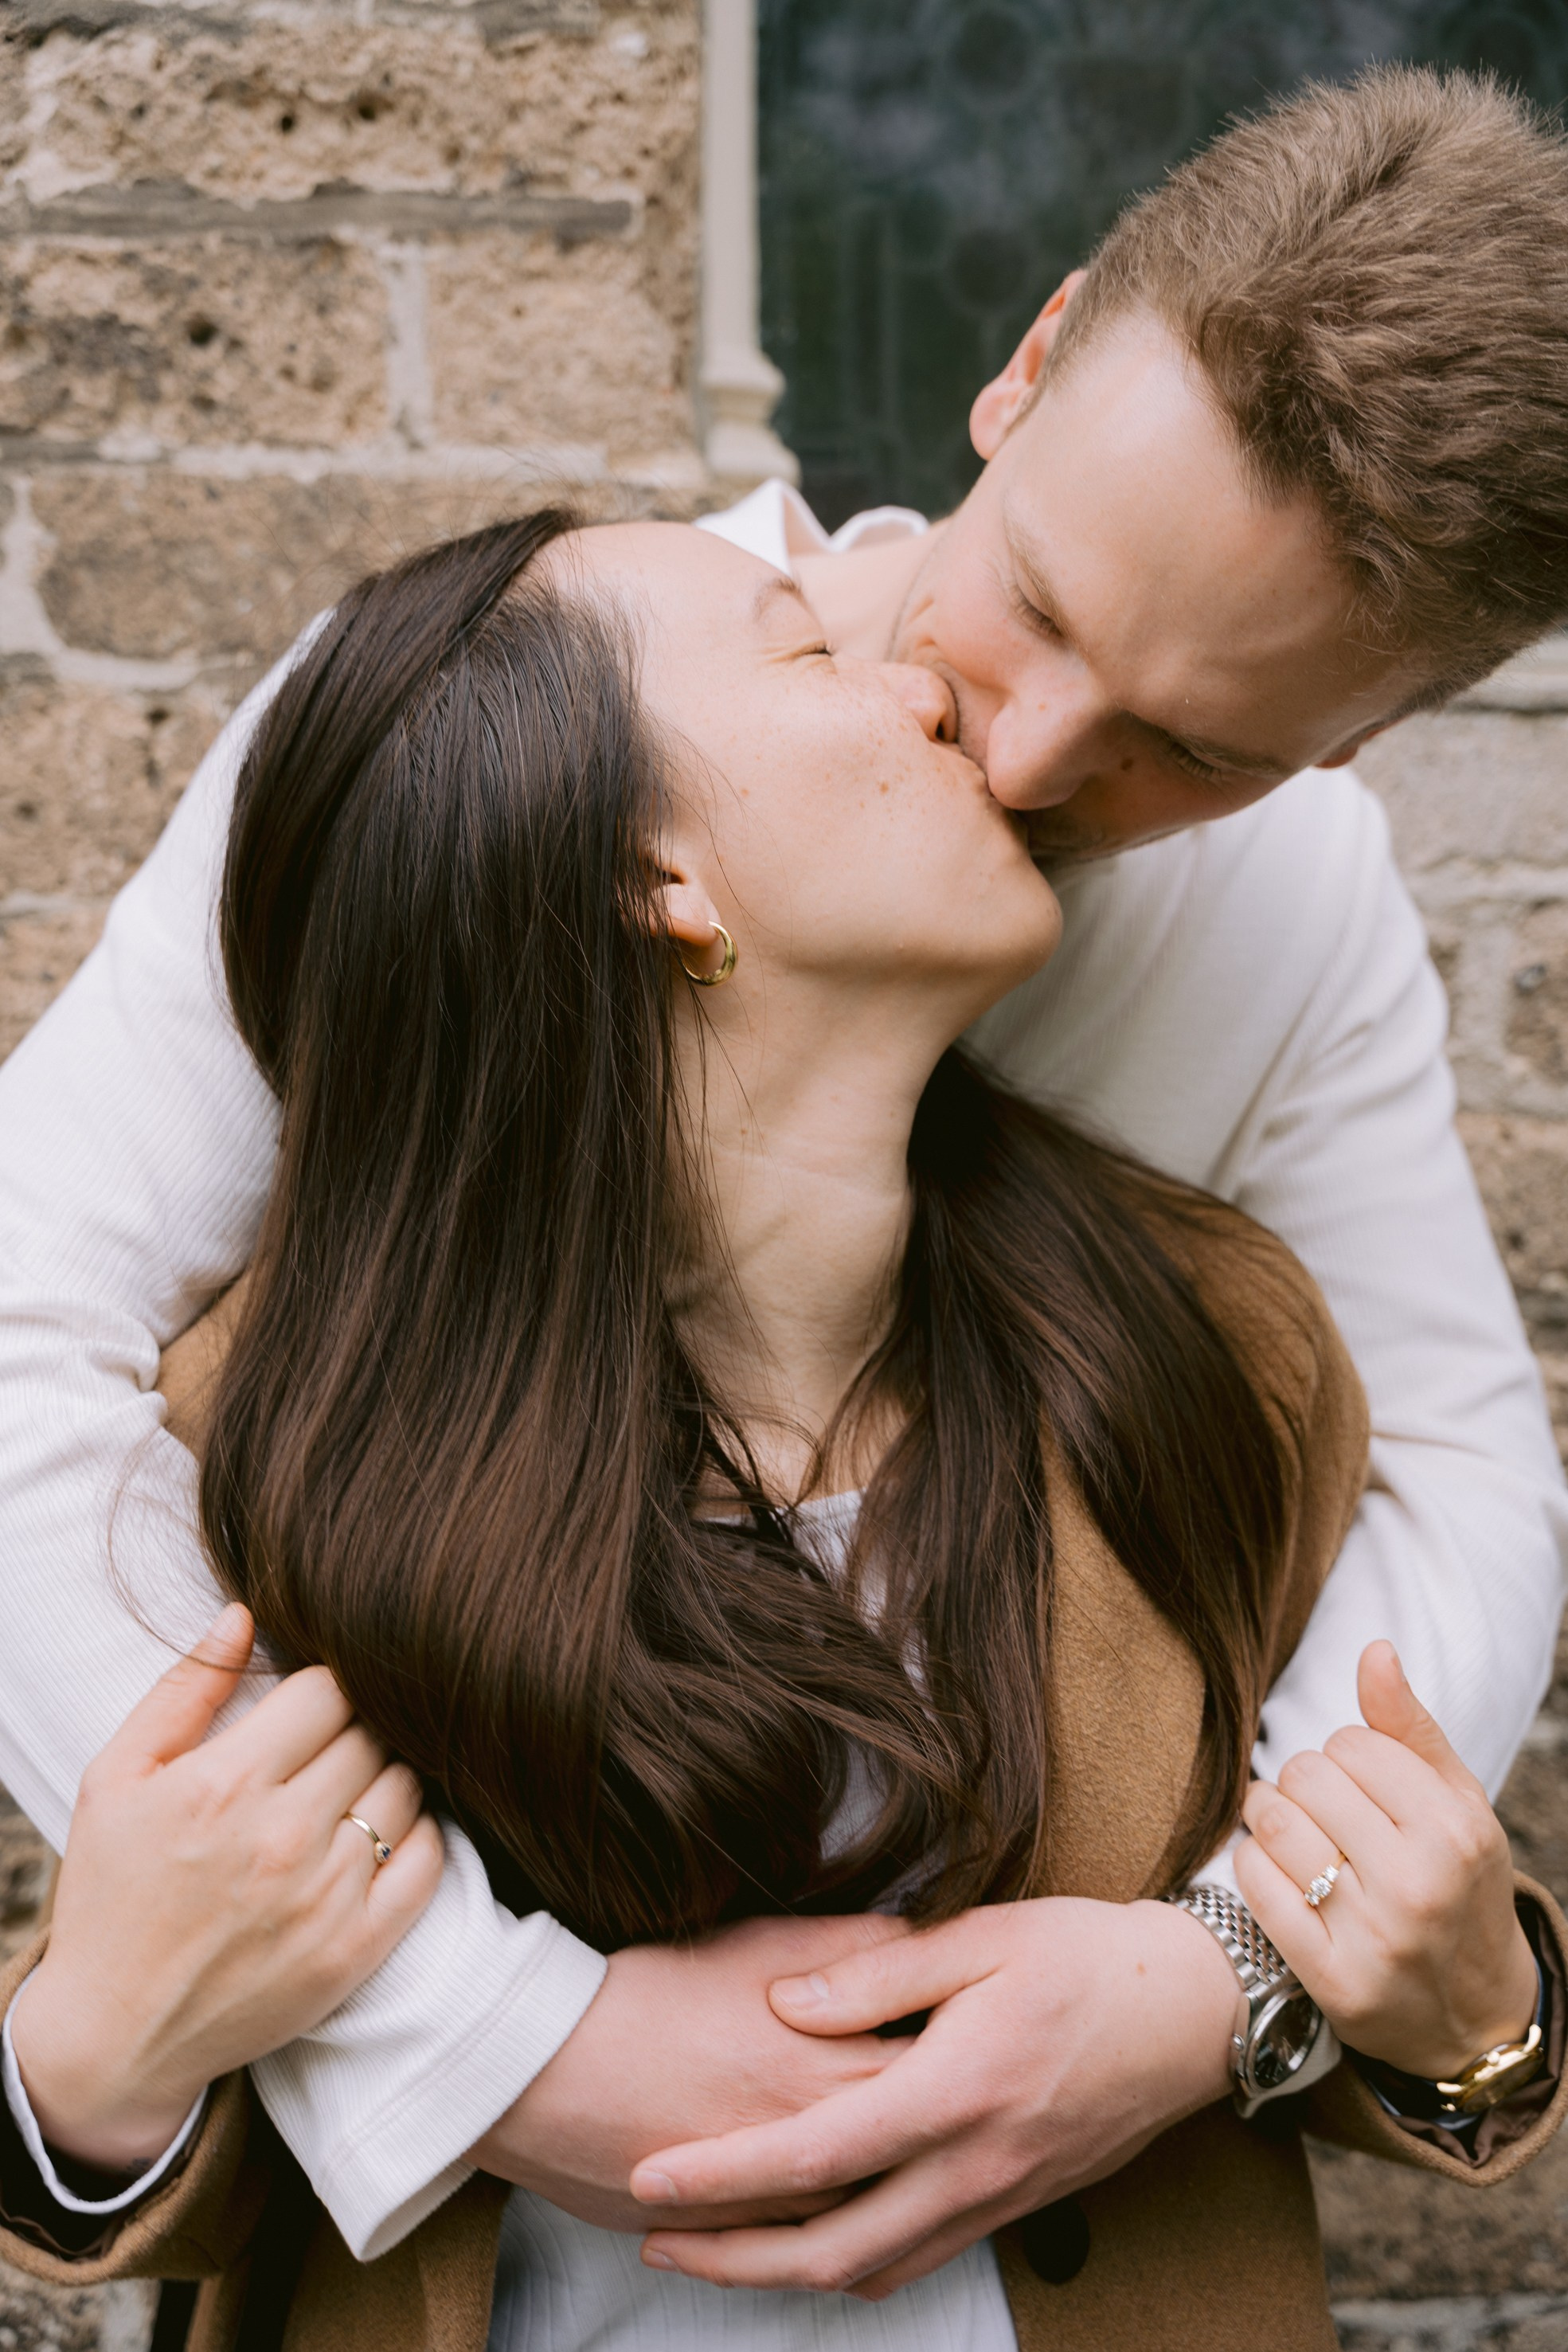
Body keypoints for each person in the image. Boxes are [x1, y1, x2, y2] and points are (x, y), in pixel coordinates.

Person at [0, 61, 1565, 2283]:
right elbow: (20, 1331)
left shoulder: (1291, 960)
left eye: (1190, 746)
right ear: (1021, 369)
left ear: (1353, 739)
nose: (1020, 752)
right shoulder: (524, 721)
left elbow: (1457, 1481)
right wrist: (493, 2030)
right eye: (1031, 605)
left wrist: (1206, 1971)